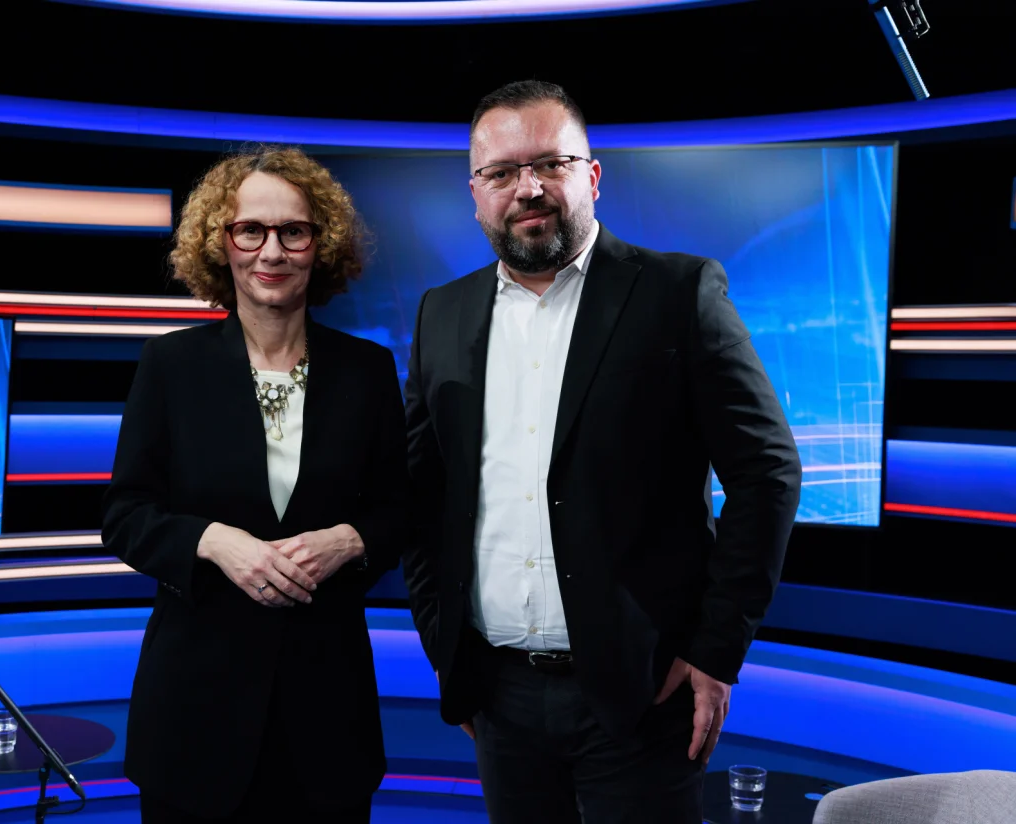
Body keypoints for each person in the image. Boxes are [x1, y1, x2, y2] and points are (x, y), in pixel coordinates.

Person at [402, 80, 803, 823]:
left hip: (643, 690)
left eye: (549, 164)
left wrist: (715, 649)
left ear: (591, 175)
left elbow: (766, 473)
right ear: (475, 194)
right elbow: (423, 494)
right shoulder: (442, 313)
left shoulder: (679, 291)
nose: (527, 189)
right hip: (497, 693)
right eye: (501, 172)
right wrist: (445, 647)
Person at [103, 146, 408, 824]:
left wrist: (349, 539)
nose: (271, 251)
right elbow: (124, 514)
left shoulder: (367, 370)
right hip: (194, 714)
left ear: (321, 245)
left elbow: (401, 510)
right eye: (250, 230)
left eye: (292, 231)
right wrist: (212, 541)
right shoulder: (170, 363)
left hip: (327, 715)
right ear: (221, 243)